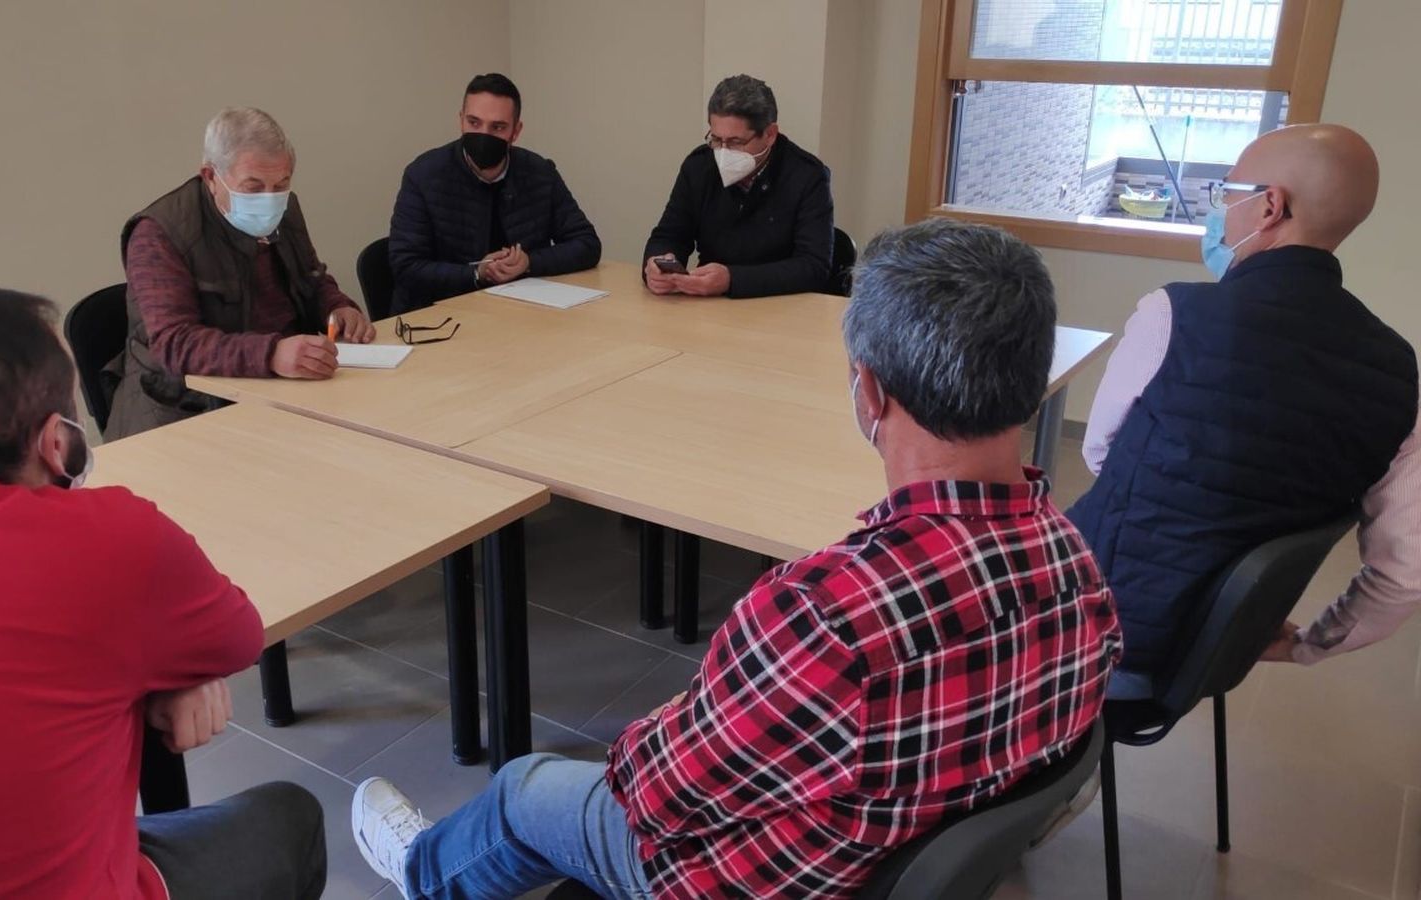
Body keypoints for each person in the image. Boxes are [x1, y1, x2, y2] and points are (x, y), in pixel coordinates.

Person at [351, 220, 1122, 899]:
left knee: (525, 785)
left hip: (748, 878)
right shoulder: (1078, 567)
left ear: (870, 391)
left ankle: (422, 871)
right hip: (891, 846)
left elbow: (652, 798)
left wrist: (677, 719)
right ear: (1028, 384)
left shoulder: (827, 614)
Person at [0, 287, 327, 898]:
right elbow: (237, 638)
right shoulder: (112, 539)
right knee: (291, 816)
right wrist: (169, 667)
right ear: (57, 440)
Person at [1068, 124, 1419, 697]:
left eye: (1226, 193)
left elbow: (1101, 453)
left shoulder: (1172, 315)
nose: (1219, 212)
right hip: (1219, 653)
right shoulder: (1399, 372)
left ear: (1270, 206)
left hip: (1090, 636)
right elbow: (1405, 573)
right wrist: (1309, 644)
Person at [104, 106, 375, 440]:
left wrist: (336, 307)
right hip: (184, 410)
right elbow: (173, 344)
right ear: (211, 177)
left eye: (281, 184)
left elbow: (310, 278)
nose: (270, 199)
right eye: (253, 187)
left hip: (284, 393)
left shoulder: (285, 208)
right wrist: (271, 354)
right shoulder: (158, 233)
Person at [388, 73, 602, 313]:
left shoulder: (540, 172)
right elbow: (405, 265)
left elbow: (587, 244)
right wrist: (477, 273)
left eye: (497, 127)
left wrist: (529, 262)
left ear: (516, 131)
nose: (484, 135)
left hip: (522, 311)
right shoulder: (423, 175)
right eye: (474, 122)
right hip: (440, 316)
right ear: (461, 120)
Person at [641, 74, 835, 299]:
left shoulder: (807, 175)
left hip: (780, 305)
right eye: (716, 139)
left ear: (770, 134)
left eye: (736, 142)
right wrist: (657, 265)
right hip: (709, 304)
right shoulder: (699, 166)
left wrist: (731, 280)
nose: (723, 153)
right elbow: (669, 235)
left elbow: (813, 267)